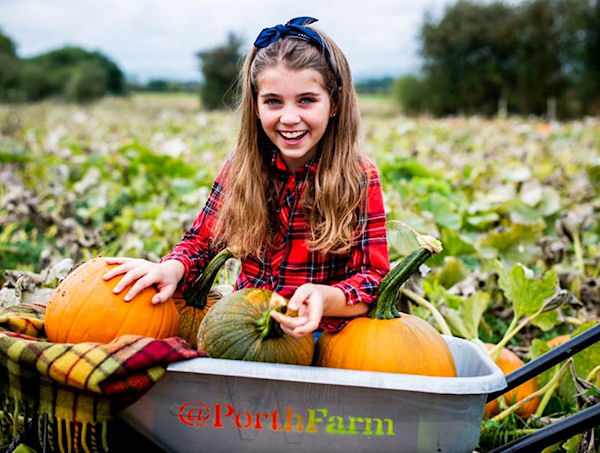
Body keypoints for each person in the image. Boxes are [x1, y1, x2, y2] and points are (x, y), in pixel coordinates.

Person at [103, 17, 390, 338]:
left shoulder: (358, 177)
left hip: (321, 335)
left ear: (334, 102)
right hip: (243, 327)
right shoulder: (242, 168)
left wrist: (326, 298)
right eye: (273, 101)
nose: (289, 117)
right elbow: (202, 242)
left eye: (307, 100)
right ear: (255, 105)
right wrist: (172, 267)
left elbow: (373, 278)